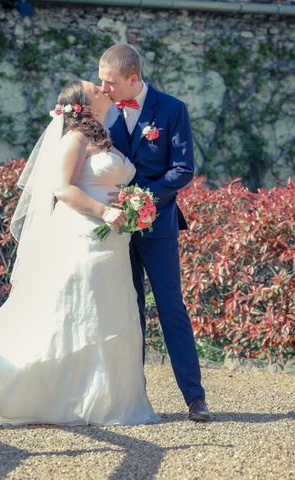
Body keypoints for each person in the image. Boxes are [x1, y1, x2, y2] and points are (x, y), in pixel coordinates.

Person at [0, 80, 160, 429]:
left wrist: (131, 205)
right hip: (83, 235)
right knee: (76, 311)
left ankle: (103, 402)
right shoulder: (75, 139)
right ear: (83, 104)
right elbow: (63, 188)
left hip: (113, 243)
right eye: (95, 88)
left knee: (110, 311)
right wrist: (104, 212)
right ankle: (27, 394)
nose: (103, 89)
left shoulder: (104, 139)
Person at [98, 44, 211, 422]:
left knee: (171, 306)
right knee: (126, 312)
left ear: (133, 79)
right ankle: (133, 400)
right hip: (113, 230)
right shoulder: (101, 109)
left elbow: (183, 169)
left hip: (158, 224)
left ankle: (195, 398)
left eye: (110, 82)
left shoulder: (172, 109)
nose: (104, 88)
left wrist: (142, 200)